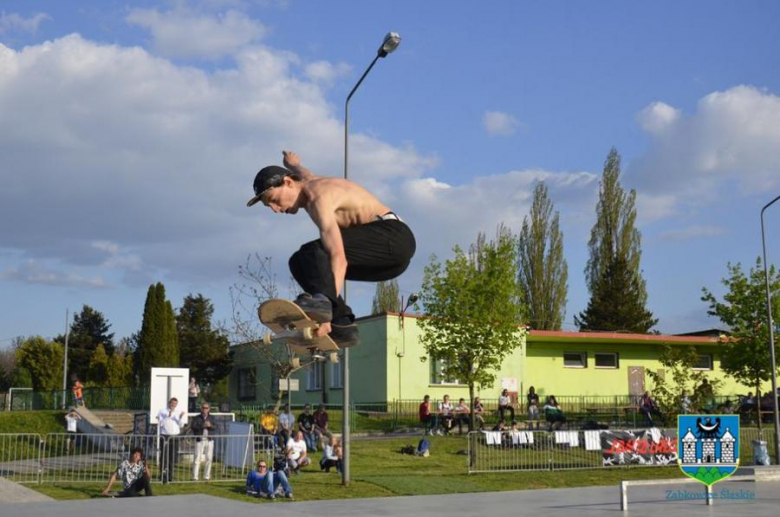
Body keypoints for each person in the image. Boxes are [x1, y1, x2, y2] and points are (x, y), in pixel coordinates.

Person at [246, 151, 416, 346]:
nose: (276, 210)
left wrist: (323, 311)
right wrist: (293, 164)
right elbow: (304, 173)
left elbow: (338, 258)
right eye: (270, 207)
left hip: (393, 238)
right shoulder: (308, 182)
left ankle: (325, 307)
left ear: (288, 183)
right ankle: (342, 327)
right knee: (299, 262)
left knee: (313, 252)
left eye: (275, 200)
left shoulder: (319, 197)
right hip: (388, 261)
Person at [157, 397, 185, 483]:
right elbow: (160, 423)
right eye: (172, 403)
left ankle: (170, 476)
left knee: (171, 457)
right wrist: (167, 416)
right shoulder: (162, 411)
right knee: (164, 456)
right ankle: (162, 476)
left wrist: (180, 418)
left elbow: (181, 425)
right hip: (164, 435)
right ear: (169, 403)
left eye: (175, 404)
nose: (173, 405)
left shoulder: (179, 412)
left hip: (174, 436)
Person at [190, 401, 218, 481]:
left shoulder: (212, 418)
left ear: (209, 409)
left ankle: (206, 476)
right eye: (203, 408)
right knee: (197, 458)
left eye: (206, 408)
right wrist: (202, 426)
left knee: (209, 458)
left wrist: (210, 426)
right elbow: (193, 427)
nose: (204, 409)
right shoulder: (197, 417)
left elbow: (216, 427)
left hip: (209, 440)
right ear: (201, 408)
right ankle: (195, 477)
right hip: (199, 440)